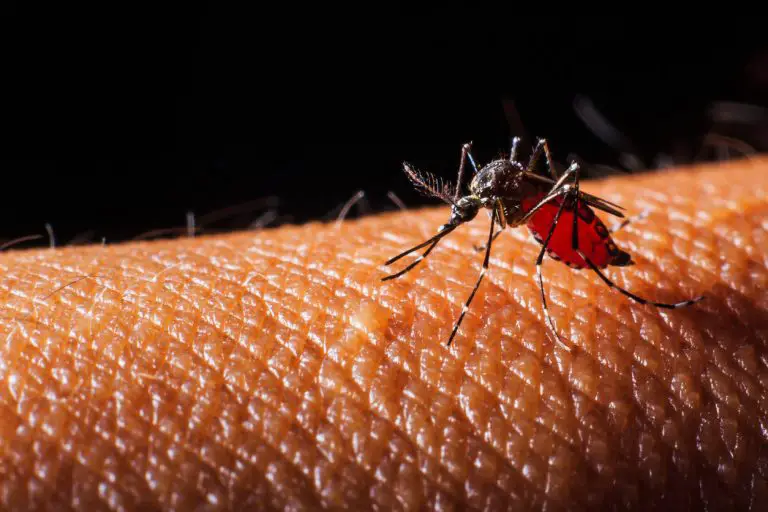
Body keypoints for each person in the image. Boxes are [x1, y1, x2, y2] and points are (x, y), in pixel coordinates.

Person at [0, 156, 765, 510]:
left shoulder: (520, 202)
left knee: (535, 220)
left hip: (563, 222)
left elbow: (514, 210)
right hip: (534, 209)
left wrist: (540, 240)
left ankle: (608, 266)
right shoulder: (487, 193)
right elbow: (481, 205)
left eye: (464, 207)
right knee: (509, 218)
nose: (462, 215)